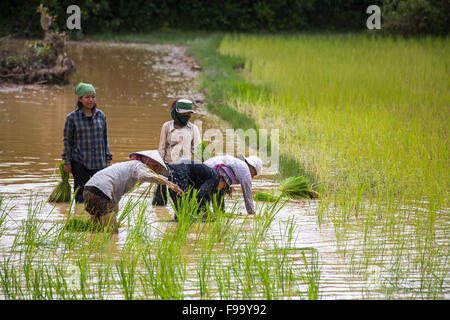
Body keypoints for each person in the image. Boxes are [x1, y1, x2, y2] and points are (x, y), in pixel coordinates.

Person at [83, 150, 183, 231]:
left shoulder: (127, 166)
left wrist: (114, 209)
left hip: (88, 190)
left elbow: (116, 190)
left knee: (97, 231)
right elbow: (147, 175)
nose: (156, 170)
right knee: (113, 233)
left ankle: (95, 254)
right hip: (101, 193)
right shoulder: (138, 165)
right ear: (153, 164)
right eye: (156, 167)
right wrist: (168, 183)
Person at [62, 82, 112, 203]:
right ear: (80, 99)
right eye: (87, 97)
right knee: (81, 193)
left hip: (99, 161)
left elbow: (105, 138)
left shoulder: (101, 116)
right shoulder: (72, 118)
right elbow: (67, 141)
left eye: (93, 96)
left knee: (100, 192)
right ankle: (80, 215)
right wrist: (67, 162)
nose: (91, 100)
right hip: (80, 162)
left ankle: (97, 218)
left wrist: (107, 159)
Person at [154, 99, 201, 206]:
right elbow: (162, 148)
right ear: (177, 112)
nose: (186, 116)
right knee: (159, 201)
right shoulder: (166, 126)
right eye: (184, 114)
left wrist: (195, 172)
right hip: (167, 168)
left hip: (184, 169)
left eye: (189, 114)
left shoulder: (193, 129)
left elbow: (197, 152)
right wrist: (159, 167)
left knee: (182, 200)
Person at [167, 160, 231, 221]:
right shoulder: (215, 177)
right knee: (186, 211)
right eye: (224, 186)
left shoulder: (209, 174)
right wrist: (206, 212)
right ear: (221, 179)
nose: (221, 188)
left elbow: (200, 195)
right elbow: (200, 195)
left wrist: (200, 211)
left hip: (173, 169)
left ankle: (177, 227)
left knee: (181, 212)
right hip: (180, 171)